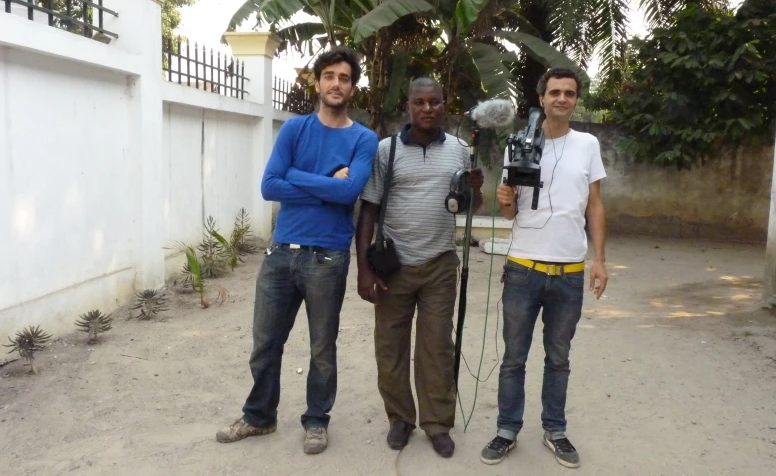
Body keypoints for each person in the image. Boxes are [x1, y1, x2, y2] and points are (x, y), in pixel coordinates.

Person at [216, 47, 379, 455]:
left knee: (322, 348)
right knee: (265, 343)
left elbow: (350, 193)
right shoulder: (294, 130)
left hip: (328, 258)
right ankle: (259, 417)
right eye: (329, 76)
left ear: (352, 87)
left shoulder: (364, 138)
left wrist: (298, 177)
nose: (336, 84)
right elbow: (269, 186)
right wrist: (327, 181)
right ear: (318, 82)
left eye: (344, 77)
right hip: (280, 255)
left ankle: (316, 421)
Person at [479, 67, 608, 468]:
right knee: (514, 357)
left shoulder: (588, 144)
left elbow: (595, 204)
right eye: (555, 92)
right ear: (542, 98)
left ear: (576, 100)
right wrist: (503, 196)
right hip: (523, 268)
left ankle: (555, 429)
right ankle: (506, 429)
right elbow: (509, 209)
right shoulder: (519, 144)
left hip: (569, 271)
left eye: (569, 93)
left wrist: (599, 259)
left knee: (559, 357)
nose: (562, 99)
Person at [355, 77, 484, 458]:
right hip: (394, 265)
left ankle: (437, 423)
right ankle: (400, 419)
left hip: (440, 264)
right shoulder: (386, 150)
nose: (427, 108)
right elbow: (369, 211)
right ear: (408, 107)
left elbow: (470, 205)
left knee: (436, 348)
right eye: (419, 102)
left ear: (445, 105)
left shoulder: (460, 150)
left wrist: (476, 188)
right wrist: (364, 269)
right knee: (391, 347)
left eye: (435, 102)